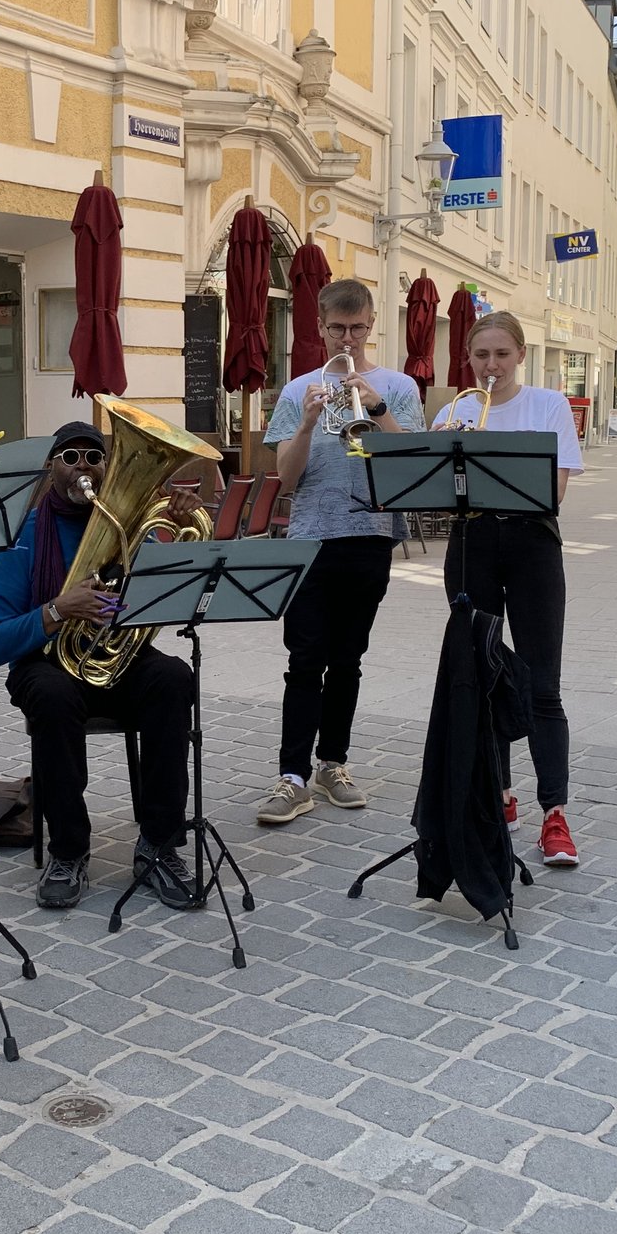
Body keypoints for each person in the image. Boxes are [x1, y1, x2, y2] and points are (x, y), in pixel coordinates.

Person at [0, 422, 198, 909]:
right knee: (54, 698)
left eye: (93, 457)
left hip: (117, 657)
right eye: (70, 457)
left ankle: (160, 844)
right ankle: (69, 850)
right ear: (51, 467)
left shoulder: (133, 525)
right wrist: (59, 610)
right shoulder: (24, 535)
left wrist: (182, 543)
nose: (84, 466)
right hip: (47, 664)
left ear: (107, 467)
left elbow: (169, 598)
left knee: (173, 678)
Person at [256, 279, 426, 826]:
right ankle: (291, 776)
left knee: (348, 660)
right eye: (337, 329)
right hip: (310, 536)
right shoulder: (298, 389)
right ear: (320, 327)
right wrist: (306, 420)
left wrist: (376, 410)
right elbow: (284, 479)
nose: (347, 339)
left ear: (372, 324)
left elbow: (412, 469)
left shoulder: (398, 387)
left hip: (371, 534)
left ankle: (333, 763)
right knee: (304, 659)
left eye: (356, 329)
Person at [435, 312, 584, 866]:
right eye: (481, 356)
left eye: (501, 355)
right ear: (469, 359)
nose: (490, 365)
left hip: (532, 544)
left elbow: (557, 489)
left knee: (543, 683)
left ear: (520, 354)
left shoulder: (547, 404)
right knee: (483, 674)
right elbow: (430, 484)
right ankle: (498, 793)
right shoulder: (458, 410)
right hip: (472, 542)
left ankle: (555, 813)